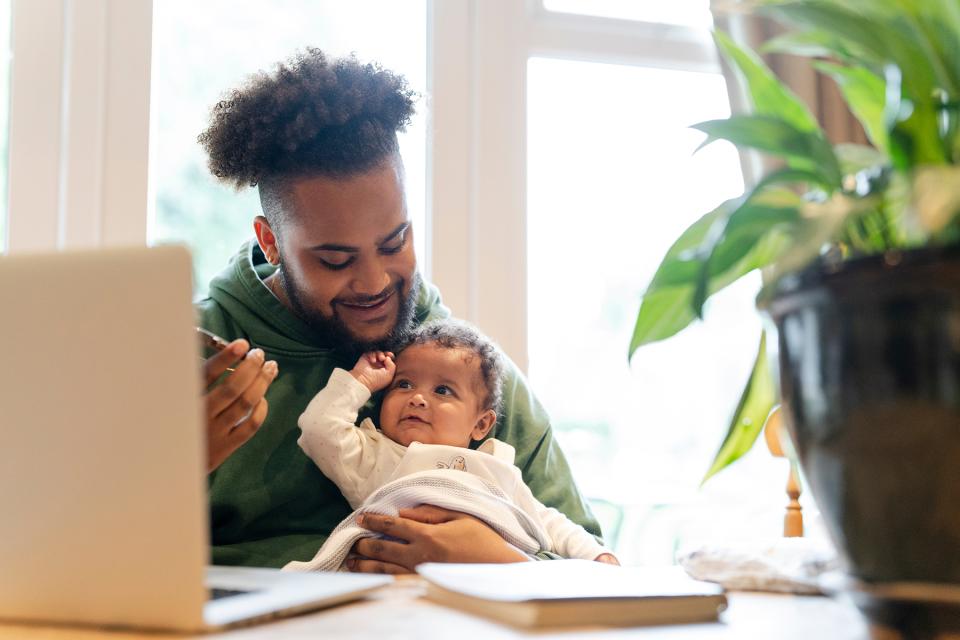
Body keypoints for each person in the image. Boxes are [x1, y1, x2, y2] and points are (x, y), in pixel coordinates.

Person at [195, 48, 602, 572]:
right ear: (270, 242)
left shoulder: (462, 364)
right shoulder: (196, 356)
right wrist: (171, 470)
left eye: (395, 242)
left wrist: (504, 562)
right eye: (335, 259)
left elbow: (592, 566)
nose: (374, 282)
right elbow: (80, 562)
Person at [285, 320, 618, 571]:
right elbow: (319, 431)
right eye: (403, 384)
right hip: (401, 588)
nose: (417, 398)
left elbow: (547, 522)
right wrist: (360, 382)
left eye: (442, 391)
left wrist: (595, 555)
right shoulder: (376, 454)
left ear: (481, 424)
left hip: (491, 587)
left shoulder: (496, 468)